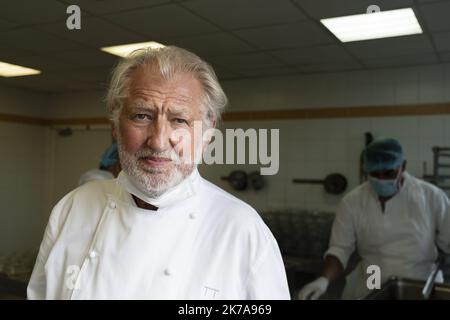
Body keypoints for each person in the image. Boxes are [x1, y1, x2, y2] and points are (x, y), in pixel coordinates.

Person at [27, 46, 290, 300]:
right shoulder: (71, 209)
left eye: (179, 120)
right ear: (115, 128)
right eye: (141, 116)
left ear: (207, 136)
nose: (159, 141)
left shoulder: (243, 230)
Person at [298, 137, 450, 300]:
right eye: (375, 174)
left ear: (402, 166)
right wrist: (323, 280)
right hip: (372, 281)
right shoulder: (353, 202)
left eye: (388, 173)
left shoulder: (431, 197)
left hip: (418, 285)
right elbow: (339, 249)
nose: (382, 179)